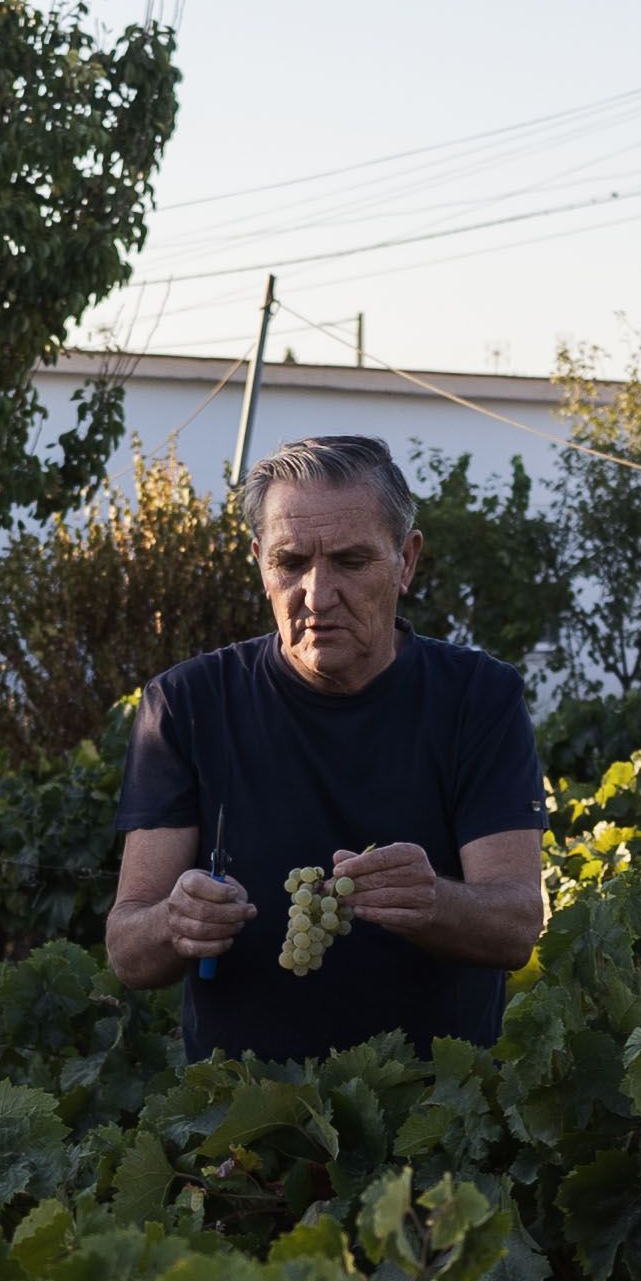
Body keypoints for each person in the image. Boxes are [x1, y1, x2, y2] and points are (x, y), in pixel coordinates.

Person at [105, 434, 547, 1059]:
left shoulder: (479, 699)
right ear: (260, 562)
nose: (317, 593)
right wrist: (173, 923)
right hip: (247, 1121)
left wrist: (433, 902)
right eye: (291, 562)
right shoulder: (187, 704)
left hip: (438, 1114)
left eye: (350, 560)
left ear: (407, 562)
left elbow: (516, 926)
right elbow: (129, 949)